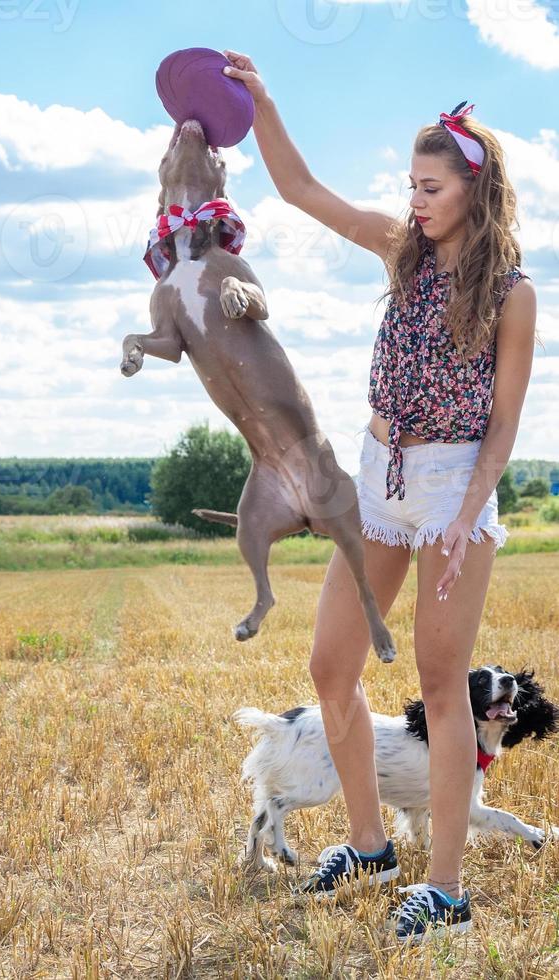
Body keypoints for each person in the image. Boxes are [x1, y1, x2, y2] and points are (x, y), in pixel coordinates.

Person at [222, 51, 538, 943]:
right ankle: (367, 844)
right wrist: (265, 102)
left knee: (442, 688)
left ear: (475, 191)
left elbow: (505, 424)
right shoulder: (400, 251)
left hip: (450, 491)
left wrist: (469, 513)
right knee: (331, 668)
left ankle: (445, 887)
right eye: (411, 184)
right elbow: (300, 189)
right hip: (378, 476)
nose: (415, 199)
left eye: (431, 186)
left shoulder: (513, 295)